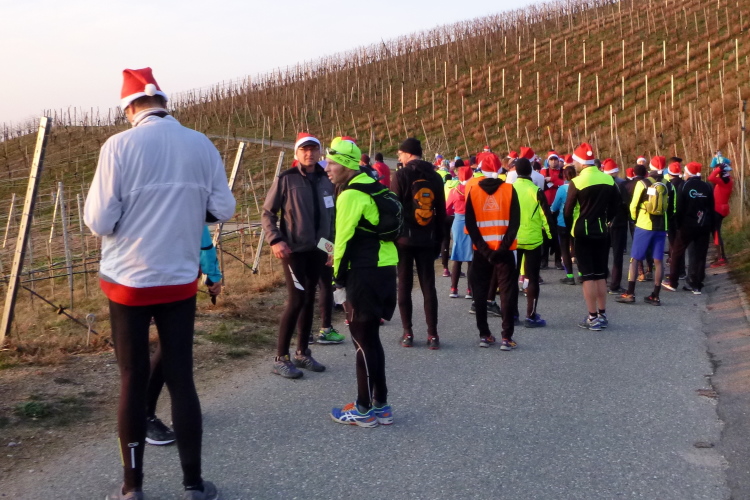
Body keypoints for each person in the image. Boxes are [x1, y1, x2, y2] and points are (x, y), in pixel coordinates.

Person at [85, 68, 235, 500]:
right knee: (181, 378)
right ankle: (194, 484)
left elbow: (99, 220)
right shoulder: (200, 143)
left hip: (128, 280)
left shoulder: (118, 146)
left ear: (129, 108)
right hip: (179, 280)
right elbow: (223, 208)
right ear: (164, 103)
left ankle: (132, 487)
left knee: (132, 379)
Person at [325, 137, 398, 427]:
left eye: (332, 163)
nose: (327, 168)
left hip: (363, 272)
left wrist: (337, 280)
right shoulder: (375, 185)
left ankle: (363, 409)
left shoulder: (350, 195)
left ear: (345, 165)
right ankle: (382, 405)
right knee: (372, 340)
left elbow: (341, 242)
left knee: (361, 342)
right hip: (385, 268)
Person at [262, 132, 335, 378]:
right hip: (293, 250)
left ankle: (302, 352)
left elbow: (332, 216)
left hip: (319, 250)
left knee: (309, 299)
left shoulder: (327, 179)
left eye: (313, 149)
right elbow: (268, 213)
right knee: (296, 300)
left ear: (319, 152)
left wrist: (332, 248)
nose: (309, 153)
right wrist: (275, 240)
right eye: (304, 149)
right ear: (297, 153)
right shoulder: (286, 179)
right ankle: (281, 358)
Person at [146, 226, 222, 447]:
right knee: (171, 347)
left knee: (171, 347)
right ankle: (145, 415)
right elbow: (203, 239)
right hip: (166, 279)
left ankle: (178, 409)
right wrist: (213, 275)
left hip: (144, 276)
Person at [392, 138, 446, 349]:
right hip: (427, 237)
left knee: (404, 285)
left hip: (404, 239)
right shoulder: (435, 176)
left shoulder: (401, 175)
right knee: (428, 286)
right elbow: (441, 211)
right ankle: (433, 334)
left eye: (400, 154)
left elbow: (394, 209)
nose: (399, 157)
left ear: (408, 153)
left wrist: (394, 236)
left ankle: (407, 333)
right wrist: (439, 239)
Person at [464, 159, 521, 349]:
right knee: (507, 293)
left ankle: (484, 335)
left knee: (480, 293)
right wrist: (502, 248)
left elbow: (471, 225)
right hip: (505, 252)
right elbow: (515, 223)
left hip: (481, 252)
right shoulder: (509, 189)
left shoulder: (473, 191)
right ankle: (507, 337)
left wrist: (485, 249)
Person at [564, 143, 620, 330]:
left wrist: (569, 228)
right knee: (600, 274)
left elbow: (568, 210)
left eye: (575, 161)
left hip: (582, 232)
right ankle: (602, 314)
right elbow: (617, 205)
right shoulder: (608, 179)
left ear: (581, 162)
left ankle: (592, 317)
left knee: (587, 276)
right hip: (602, 231)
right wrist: (607, 220)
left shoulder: (577, 182)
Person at [616, 156, 676, 306]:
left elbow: (633, 205)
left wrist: (635, 219)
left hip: (644, 224)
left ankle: (630, 293)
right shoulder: (669, 185)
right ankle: (655, 295)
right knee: (658, 260)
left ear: (651, 167)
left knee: (635, 259)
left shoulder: (643, 183)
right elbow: (673, 208)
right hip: (661, 226)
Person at [662, 162, 714, 294]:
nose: (684, 174)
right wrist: (710, 226)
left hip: (686, 226)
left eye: (685, 172)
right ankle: (696, 285)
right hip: (703, 225)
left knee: (677, 253)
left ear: (689, 173)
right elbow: (711, 207)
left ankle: (673, 282)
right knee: (700, 255)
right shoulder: (707, 186)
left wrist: (678, 224)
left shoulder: (684, 185)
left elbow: (679, 207)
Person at [513, 158, 551, 328]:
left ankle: (513, 314)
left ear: (515, 171)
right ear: (530, 172)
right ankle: (530, 315)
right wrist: (551, 237)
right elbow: (546, 216)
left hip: (512, 240)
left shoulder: (509, 189)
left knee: (512, 278)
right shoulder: (536, 191)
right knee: (532, 278)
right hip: (533, 240)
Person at [601, 159, 629, 295]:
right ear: (616, 171)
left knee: (603, 252)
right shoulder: (622, 184)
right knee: (617, 254)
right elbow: (626, 204)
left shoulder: (600, 184)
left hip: (603, 221)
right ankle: (615, 285)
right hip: (619, 222)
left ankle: (602, 279)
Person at [446, 165, 474, 298]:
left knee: (457, 255)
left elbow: (447, 208)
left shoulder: (454, 190)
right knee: (471, 257)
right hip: (471, 222)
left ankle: (453, 289)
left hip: (457, 222)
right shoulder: (474, 190)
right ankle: (470, 290)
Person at [551, 166, 578, 284]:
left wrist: (551, 210)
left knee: (565, 249)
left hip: (563, 222)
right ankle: (581, 274)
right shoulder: (579, 187)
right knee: (578, 248)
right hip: (577, 221)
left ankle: (570, 276)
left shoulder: (562, 189)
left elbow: (555, 206)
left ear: (564, 176)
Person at [541, 152, 564, 270]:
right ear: (548, 161)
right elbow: (541, 183)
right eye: (551, 160)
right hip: (546, 206)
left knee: (558, 234)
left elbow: (563, 183)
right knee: (545, 233)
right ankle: (544, 260)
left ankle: (558, 261)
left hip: (558, 206)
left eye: (555, 159)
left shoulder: (562, 172)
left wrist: (552, 179)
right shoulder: (543, 171)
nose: (554, 162)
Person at [708, 158, 733, 266]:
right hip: (722, 208)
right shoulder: (727, 180)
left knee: (716, 233)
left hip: (718, 209)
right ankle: (720, 256)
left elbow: (710, 178)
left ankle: (721, 258)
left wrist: (718, 169)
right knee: (716, 232)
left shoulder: (722, 182)